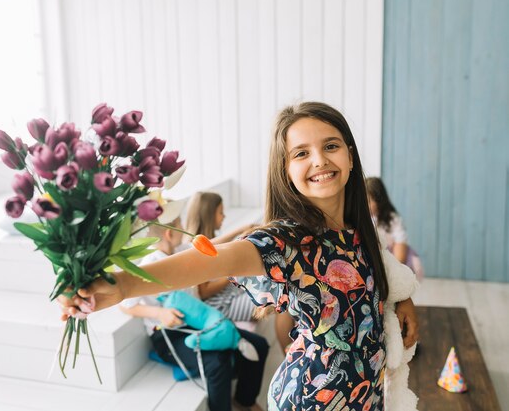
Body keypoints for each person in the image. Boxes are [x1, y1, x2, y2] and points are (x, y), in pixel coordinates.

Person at [60, 102, 419, 411]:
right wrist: (122, 285)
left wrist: (401, 299)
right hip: (311, 398)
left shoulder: (358, 229)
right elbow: (210, 260)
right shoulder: (287, 241)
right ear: (286, 170)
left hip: (366, 395)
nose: (320, 160)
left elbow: (378, 273)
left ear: (351, 155)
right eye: (301, 153)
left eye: (331, 146)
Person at [119, 216, 268, 411]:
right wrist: (159, 312)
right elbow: (124, 304)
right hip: (171, 335)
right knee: (217, 362)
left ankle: (244, 401)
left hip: (200, 325)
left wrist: (243, 229)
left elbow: (212, 245)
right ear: (169, 233)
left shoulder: (179, 252)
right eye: (181, 225)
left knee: (259, 345)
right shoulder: (149, 266)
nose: (184, 228)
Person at [185, 191, 258, 322]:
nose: (224, 216)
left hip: (229, 294)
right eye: (220, 212)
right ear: (209, 215)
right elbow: (204, 292)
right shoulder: (195, 248)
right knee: (280, 300)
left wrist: (243, 231)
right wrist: (234, 273)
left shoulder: (208, 241)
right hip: (220, 304)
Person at [366, 177, 425, 281]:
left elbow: (400, 247)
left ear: (379, 200)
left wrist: (394, 269)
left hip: (393, 260)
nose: (365, 205)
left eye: (369, 201)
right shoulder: (365, 219)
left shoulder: (392, 220)